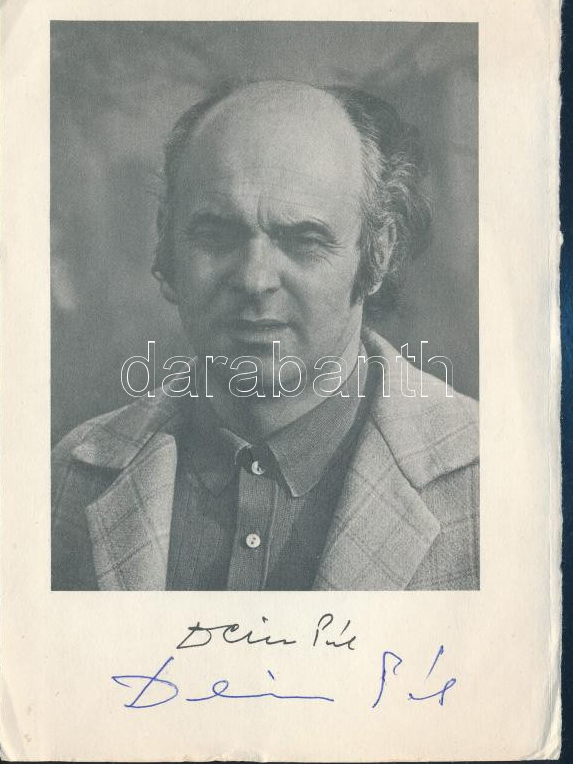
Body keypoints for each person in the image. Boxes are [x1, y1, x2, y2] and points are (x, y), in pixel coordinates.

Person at [51, 80, 479, 591]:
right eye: (216, 235)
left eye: (303, 240)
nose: (255, 280)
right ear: (167, 242)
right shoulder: (69, 476)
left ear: (379, 252)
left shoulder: (490, 480)